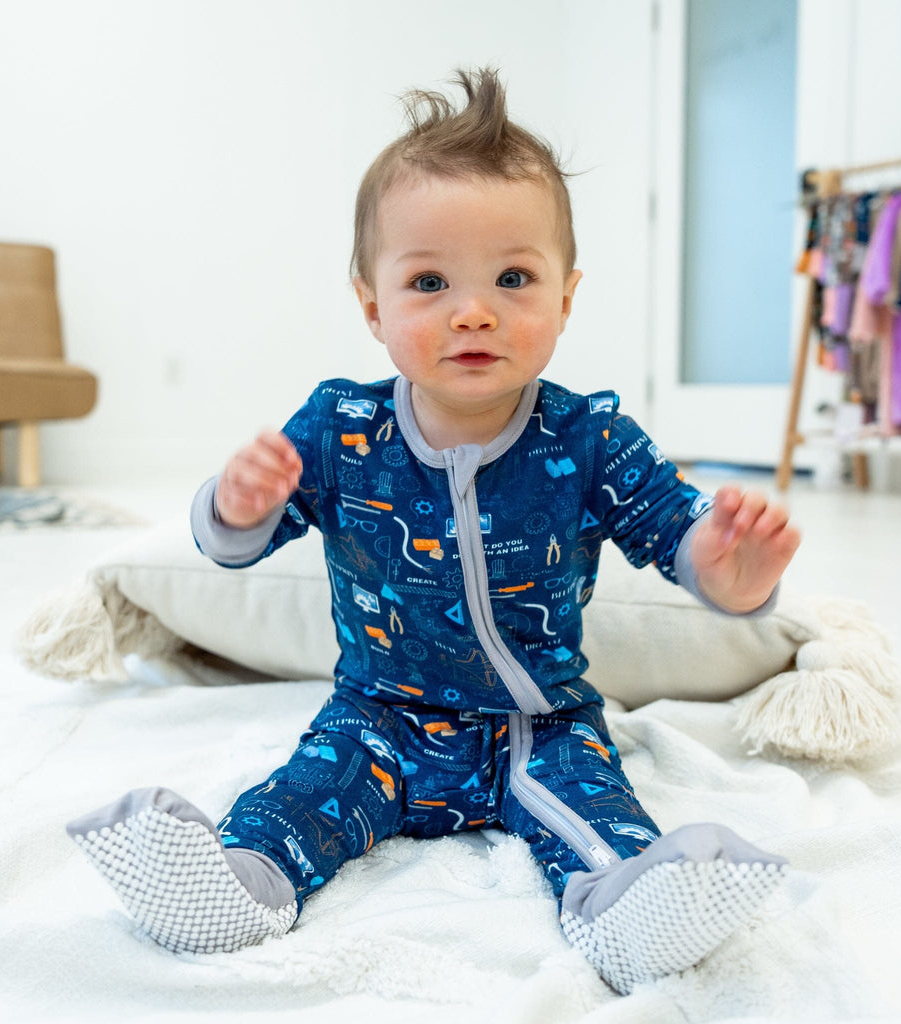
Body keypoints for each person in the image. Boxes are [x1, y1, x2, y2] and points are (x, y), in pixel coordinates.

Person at [68, 67, 800, 994]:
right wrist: (239, 504)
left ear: (566, 299)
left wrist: (731, 569)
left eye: (513, 276)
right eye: (428, 281)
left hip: (540, 723)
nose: (475, 309)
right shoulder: (341, 431)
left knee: (597, 805)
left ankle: (622, 907)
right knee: (305, 795)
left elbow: (677, 529)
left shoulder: (590, 438)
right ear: (372, 307)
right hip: (382, 718)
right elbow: (229, 545)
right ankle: (241, 884)